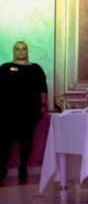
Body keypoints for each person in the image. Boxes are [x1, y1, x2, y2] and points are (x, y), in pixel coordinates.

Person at [0, 41, 49, 185]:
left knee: (26, 141)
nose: (20, 51)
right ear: (13, 51)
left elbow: (43, 88)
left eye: (23, 49)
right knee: (5, 143)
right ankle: (1, 172)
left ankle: (23, 168)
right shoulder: (5, 68)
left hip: (29, 111)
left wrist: (43, 105)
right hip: (7, 112)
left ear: (27, 51)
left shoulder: (36, 69)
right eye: (17, 49)